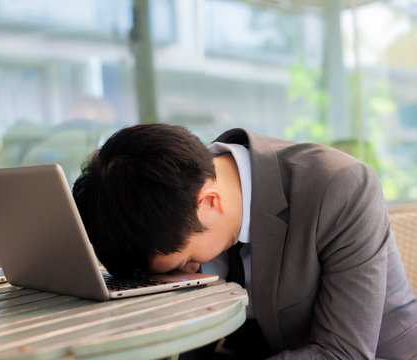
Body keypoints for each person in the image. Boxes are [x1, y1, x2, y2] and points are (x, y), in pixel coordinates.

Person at [72, 124, 417, 359]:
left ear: (210, 202)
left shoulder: (340, 186)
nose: (187, 273)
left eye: (183, 264)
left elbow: (344, 352)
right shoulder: (171, 193)